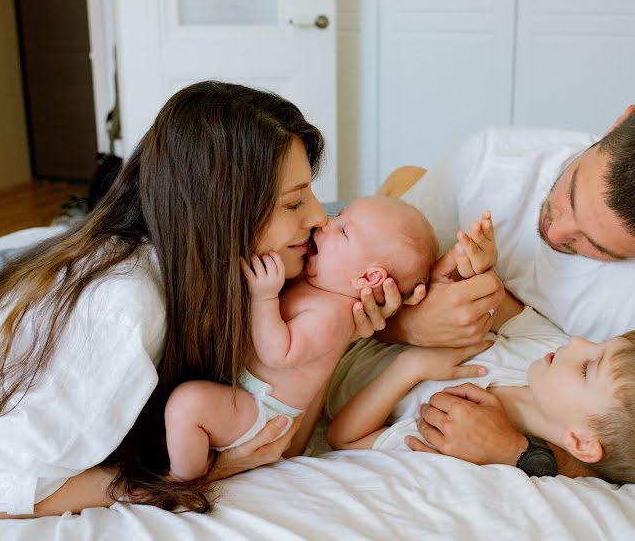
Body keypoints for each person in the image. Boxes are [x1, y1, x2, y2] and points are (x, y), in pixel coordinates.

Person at [0, 81, 408, 519]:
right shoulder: (125, 308)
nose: (321, 218)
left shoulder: (224, 273)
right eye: (294, 202)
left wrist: (337, 335)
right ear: (220, 208)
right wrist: (200, 474)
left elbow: (279, 438)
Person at [370, 96, 635, 469]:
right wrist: (406, 325)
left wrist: (520, 454)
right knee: (393, 197)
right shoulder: (493, 160)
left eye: (595, 245)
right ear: (617, 124)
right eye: (569, 194)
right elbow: (351, 276)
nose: (556, 232)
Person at [325, 218, 635, 502]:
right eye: (599, 346)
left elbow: (343, 438)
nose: (578, 342)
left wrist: (412, 366)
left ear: (580, 441)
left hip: (327, 357)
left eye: (587, 367)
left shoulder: (458, 432)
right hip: (364, 298)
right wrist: (475, 269)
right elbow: (493, 301)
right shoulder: (543, 353)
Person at [165, 196, 437, 481]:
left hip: (262, 411)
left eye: (344, 231)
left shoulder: (333, 316)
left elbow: (278, 355)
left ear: (368, 278)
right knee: (176, 419)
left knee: (187, 405)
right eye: (339, 215)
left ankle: (182, 480)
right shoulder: (318, 288)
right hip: (246, 392)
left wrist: (264, 297)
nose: (326, 223)